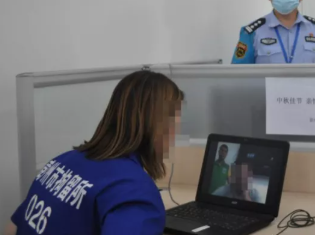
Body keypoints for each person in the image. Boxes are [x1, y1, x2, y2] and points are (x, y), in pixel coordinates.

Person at [4, 70, 183, 235]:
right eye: (175, 121)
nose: (177, 131)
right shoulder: (134, 192)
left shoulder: (62, 162)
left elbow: (12, 228)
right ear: (158, 127)